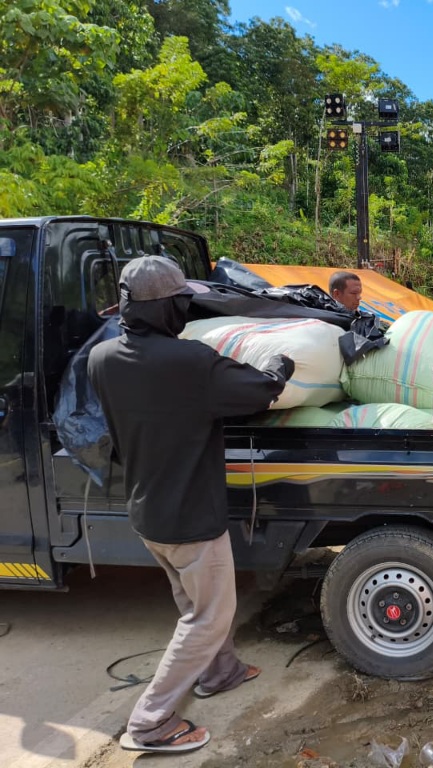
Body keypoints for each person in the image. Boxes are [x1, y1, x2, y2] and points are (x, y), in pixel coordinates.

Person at [88, 256, 294, 754]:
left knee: (191, 602)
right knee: (210, 616)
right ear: (167, 310)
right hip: (190, 519)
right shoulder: (191, 362)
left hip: (147, 511)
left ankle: (220, 672)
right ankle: (151, 722)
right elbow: (263, 390)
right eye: (181, 303)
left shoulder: (102, 359)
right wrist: (279, 367)